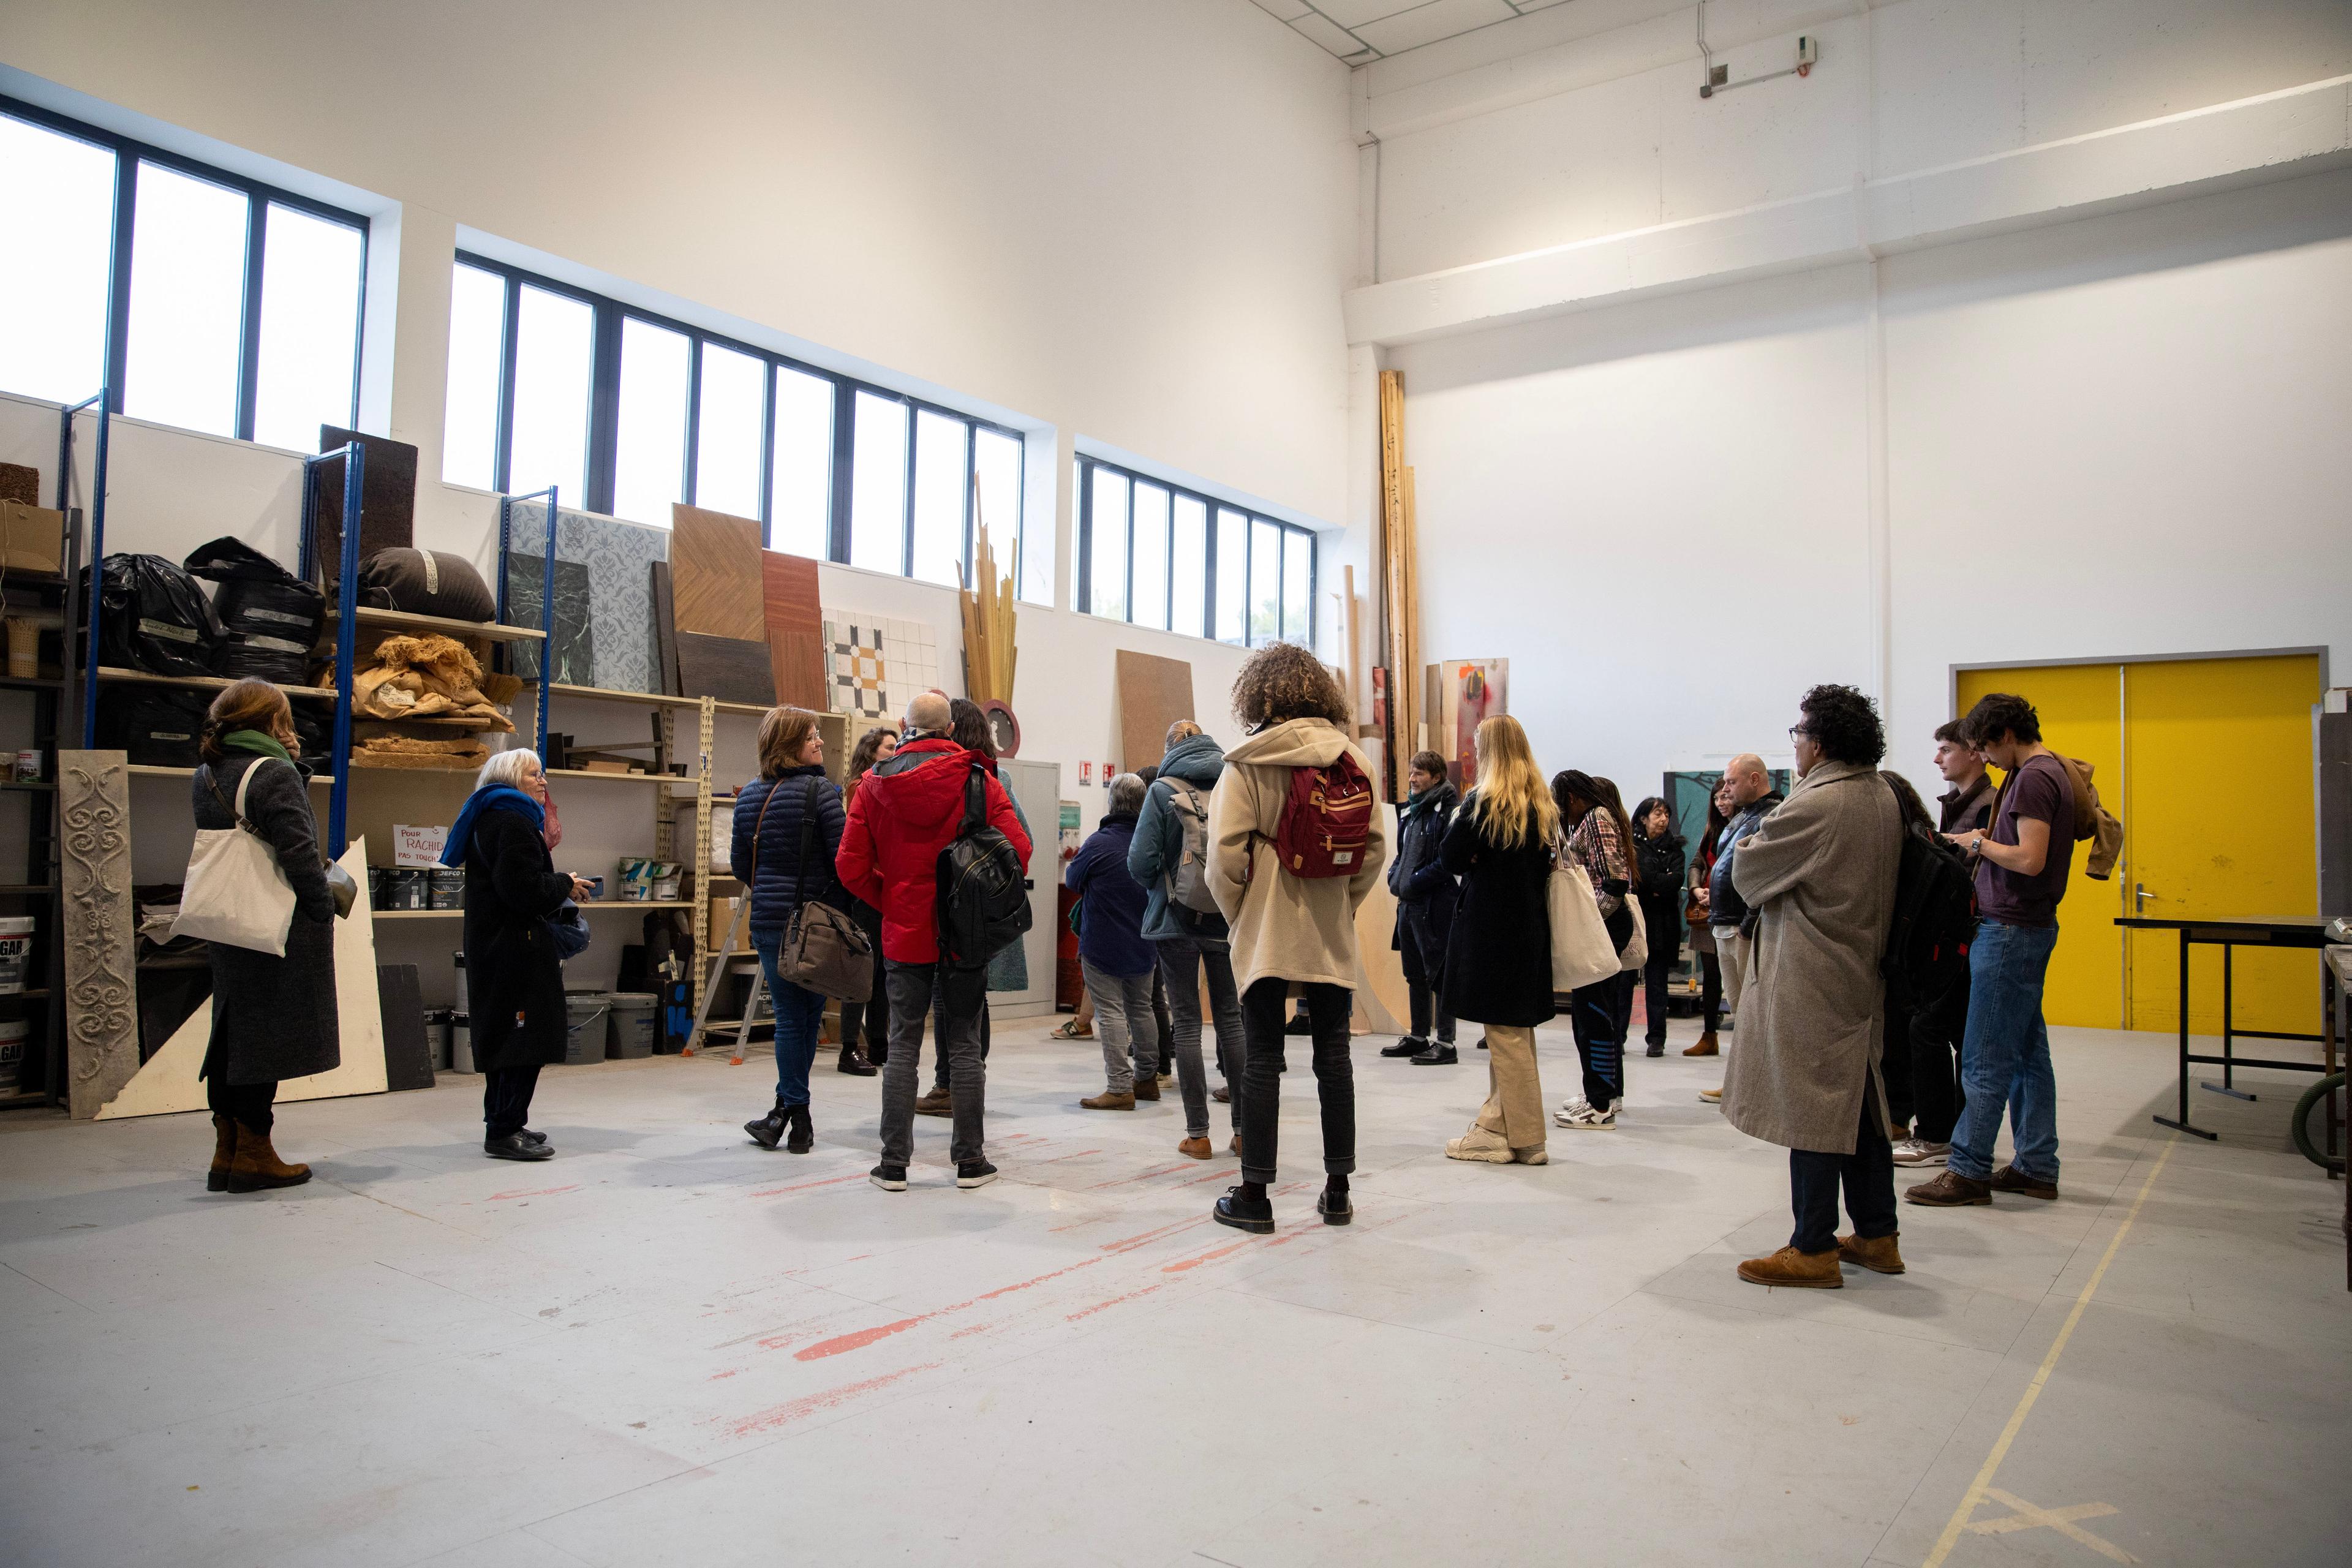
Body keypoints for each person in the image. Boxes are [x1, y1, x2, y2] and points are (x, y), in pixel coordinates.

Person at [1726, 685, 1905, 1288]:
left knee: (1811, 1110)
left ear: (1819, 743)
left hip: (1813, 977)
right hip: (1858, 972)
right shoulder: (1880, 793)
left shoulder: (1819, 804)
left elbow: (1747, 871)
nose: (1795, 746)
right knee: (1857, 1108)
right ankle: (1879, 1234)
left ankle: (1813, 1247)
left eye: (1798, 735)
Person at [1205, 643, 1385, 1234]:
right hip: (1329, 923)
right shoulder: (1353, 758)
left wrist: (1242, 916)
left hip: (1266, 925)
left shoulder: (1247, 761)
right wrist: (1341, 905)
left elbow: (1222, 860)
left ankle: (1255, 1195)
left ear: (1257, 694)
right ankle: (1337, 1191)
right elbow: (1374, 853)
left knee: (1262, 1059)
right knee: (1334, 1058)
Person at [836, 691, 1031, 1193]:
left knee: (902, 1045)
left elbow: (850, 866)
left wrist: (893, 900)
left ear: (905, 726)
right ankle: (970, 1162)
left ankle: (893, 1165)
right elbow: (1020, 851)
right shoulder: (978, 781)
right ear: (948, 729)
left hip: (905, 933)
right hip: (964, 933)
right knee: (964, 1045)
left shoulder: (871, 786)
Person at [1908, 693, 2073, 1207]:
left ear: (2003, 736)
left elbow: (2029, 859)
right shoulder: (2049, 772)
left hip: (2009, 931)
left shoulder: (2034, 778)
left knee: (1983, 1058)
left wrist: (1978, 843)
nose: (1987, 757)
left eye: (1984, 746)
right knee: (2027, 1057)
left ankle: (1969, 1168)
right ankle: (2037, 1165)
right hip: (2022, 928)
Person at [189, 679, 337, 1193]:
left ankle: (227, 1149)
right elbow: (298, 852)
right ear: (274, 721)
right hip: (277, 925)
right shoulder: (273, 772)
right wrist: (323, 909)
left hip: (230, 921)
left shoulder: (206, 772)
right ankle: (254, 1152)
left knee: (233, 1033)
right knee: (264, 1040)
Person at [451, 748, 595, 1161]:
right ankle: (503, 1131)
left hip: (497, 945)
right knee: (521, 1041)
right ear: (512, 778)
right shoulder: (513, 822)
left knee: (506, 1038)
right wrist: (563, 884)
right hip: (515, 949)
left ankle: (506, 1122)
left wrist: (556, 883)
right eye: (535, 774)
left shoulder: (490, 816)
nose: (543, 781)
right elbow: (522, 891)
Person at [1436, 717, 1557, 1164]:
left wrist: (1474, 852)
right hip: (1529, 929)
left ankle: (1527, 1139)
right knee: (1514, 1034)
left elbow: (1450, 855)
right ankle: (1495, 1127)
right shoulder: (1542, 804)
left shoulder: (1484, 803)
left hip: (1490, 931)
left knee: (1504, 1036)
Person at [1129, 719, 1246, 1158]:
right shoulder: (1233, 784)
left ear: (1170, 748)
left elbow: (1139, 861)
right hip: (1224, 921)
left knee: (1188, 1024)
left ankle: (1198, 1134)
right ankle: (1243, 1132)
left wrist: (1163, 884)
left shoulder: (1162, 791)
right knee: (1231, 1022)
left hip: (1175, 921)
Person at [731, 706, 845, 1153]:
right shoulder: (823, 793)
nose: (819, 742)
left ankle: (783, 1114)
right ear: (788, 746)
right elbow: (842, 861)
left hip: (768, 923)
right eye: (811, 736)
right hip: (814, 927)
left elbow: (744, 866)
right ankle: (799, 1117)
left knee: (792, 1020)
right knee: (804, 1020)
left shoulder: (748, 798)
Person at [913, 699, 1031, 1117]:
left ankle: (951, 1086)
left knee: (950, 1003)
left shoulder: (955, 778)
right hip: (986, 907)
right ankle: (967, 1079)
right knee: (972, 1000)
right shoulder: (999, 776)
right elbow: (1022, 844)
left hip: (953, 908)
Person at [1887, 722, 1992, 1164]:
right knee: (1942, 1034)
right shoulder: (1958, 808)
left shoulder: (1988, 808)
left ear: (1974, 752)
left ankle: (1940, 1136)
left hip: (1969, 940)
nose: (1937, 759)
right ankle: (1949, 1134)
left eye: (1946, 749)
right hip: (1957, 941)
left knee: (1935, 1032)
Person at [1066, 772, 1159, 1110]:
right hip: (1144, 940)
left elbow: (1073, 880)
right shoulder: (1151, 842)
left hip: (1102, 943)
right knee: (1142, 1008)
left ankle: (1120, 1087)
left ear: (1112, 803)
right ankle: (1147, 1078)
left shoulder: (1098, 843)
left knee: (1110, 1013)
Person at [1553, 769, 1636, 1130]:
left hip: (1607, 925)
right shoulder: (1591, 819)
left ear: (1570, 797)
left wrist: (1591, 922)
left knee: (1595, 1016)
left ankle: (1600, 1104)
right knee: (1591, 1013)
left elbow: (1615, 880)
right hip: (1603, 925)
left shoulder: (1596, 817)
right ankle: (1600, 1095)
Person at [1700, 753, 1782, 1104]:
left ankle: (1759, 1087)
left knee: (1754, 1011)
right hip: (1724, 923)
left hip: (1744, 927)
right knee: (1739, 1011)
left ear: (1754, 779)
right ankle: (1741, 1082)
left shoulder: (1773, 814)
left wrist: (1749, 924)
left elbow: (1769, 874)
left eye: (1731, 783)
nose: (1726, 789)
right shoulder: (1743, 816)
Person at [1385, 749, 1462, 1065]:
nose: (1412, 778)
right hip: (1408, 905)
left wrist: (1414, 882)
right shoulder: (1413, 811)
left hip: (1435, 903)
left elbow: (1448, 861)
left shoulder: (1448, 811)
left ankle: (1446, 1043)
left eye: (1419, 773)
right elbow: (1403, 854)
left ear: (1437, 777)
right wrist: (1395, 877)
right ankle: (1418, 1036)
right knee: (1414, 974)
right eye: (1411, 772)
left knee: (1439, 974)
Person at [833, 724, 899, 1072]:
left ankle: (878, 1044)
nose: (895, 751)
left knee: (882, 974)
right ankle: (848, 1048)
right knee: (862, 971)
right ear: (872, 753)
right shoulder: (863, 786)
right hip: (867, 888)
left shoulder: (882, 783)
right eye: (889, 747)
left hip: (884, 887)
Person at [1681, 780, 1735, 1057]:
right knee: (1711, 975)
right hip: (1706, 913)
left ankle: (1741, 1043)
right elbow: (1697, 864)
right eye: (1716, 799)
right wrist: (1696, 889)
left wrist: (1720, 893)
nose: (1721, 803)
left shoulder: (1746, 826)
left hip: (1732, 912)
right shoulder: (1711, 830)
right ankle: (1709, 1035)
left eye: (1726, 797)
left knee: (1736, 976)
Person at [1632, 796, 1686, 1058]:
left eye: (1666, 814)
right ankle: (1618, 1035)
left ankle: (1656, 1039)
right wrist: (1655, 884)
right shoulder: (1631, 845)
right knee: (1623, 982)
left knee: (1657, 984)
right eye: (1658, 814)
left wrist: (1656, 885)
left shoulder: (1675, 849)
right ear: (1644, 818)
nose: (1663, 819)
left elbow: (1675, 881)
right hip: (1635, 922)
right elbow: (1641, 881)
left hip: (1663, 923)